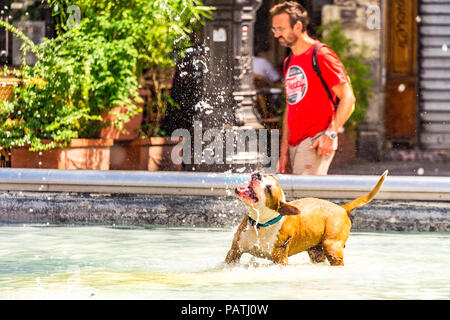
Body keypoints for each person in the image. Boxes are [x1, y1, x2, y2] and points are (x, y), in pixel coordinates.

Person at [270, 1, 356, 175]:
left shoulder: (322, 55)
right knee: (299, 200)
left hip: (315, 141)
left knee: (305, 199)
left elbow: (348, 98)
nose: (277, 34)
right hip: (294, 143)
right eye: (274, 29)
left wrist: (331, 134)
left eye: (281, 29)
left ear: (298, 26)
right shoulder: (289, 61)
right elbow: (291, 107)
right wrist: (284, 152)